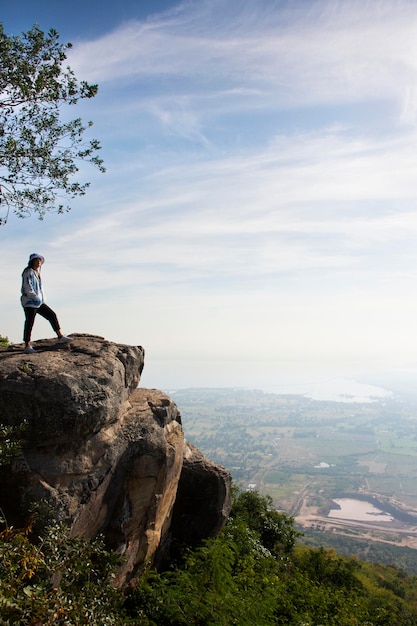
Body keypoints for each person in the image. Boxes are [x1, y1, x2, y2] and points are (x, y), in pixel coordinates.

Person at [21, 253, 72, 354]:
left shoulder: (37, 273)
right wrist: (35, 297)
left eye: (40, 260)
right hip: (30, 302)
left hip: (38, 302)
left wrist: (41, 299)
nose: (39, 262)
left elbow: (39, 288)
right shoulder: (28, 272)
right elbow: (27, 287)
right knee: (30, 322)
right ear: (32, 261)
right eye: (37, 260)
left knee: (51, 315)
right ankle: (27, 346)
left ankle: (60, 336)